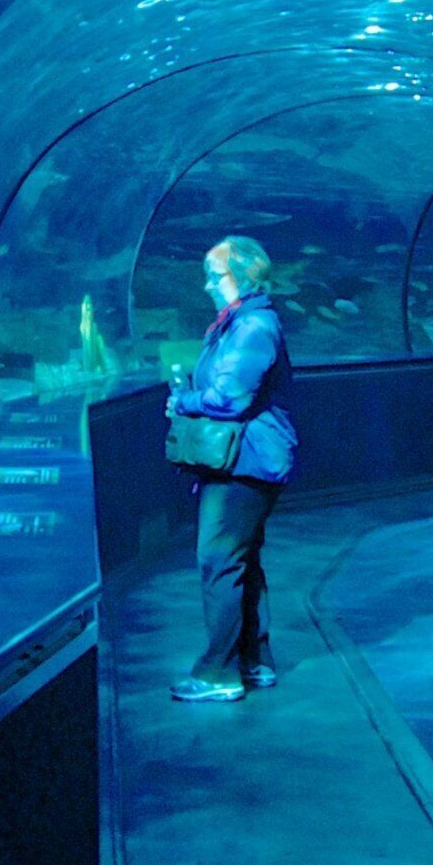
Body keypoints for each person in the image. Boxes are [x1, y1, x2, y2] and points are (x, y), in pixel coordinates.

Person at [167, 234, 298, 703]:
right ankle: (253, 659)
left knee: (219, 561)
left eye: (215, 275)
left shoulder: (253, 327)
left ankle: (218, 673)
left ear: (244, 275)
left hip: (245, 464)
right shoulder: (238, 323)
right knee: (242, 559)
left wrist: (183, 400)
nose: (207, 285)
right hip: (246, 461)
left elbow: (230, 398)